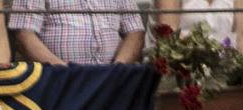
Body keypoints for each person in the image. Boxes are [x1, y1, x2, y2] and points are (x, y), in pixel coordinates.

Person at [8, 0, 143, 63]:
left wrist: (118, 67)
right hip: (58, 82)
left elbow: (135, 32)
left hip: (111, 81)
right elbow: (24, 37)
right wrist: (65, 72)